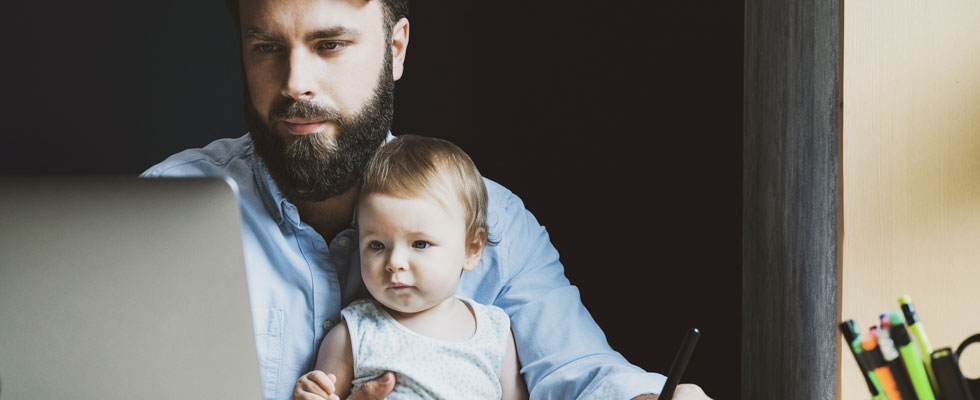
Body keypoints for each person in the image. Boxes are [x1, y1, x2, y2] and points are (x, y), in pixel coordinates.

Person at [142, 0, 710, 398]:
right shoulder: (159, 214)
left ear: (395, 49)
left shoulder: (494, 222)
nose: (295, 82)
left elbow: (580, 373)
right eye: (266, 46)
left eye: (330, 44)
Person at [292, 135, 527, 400]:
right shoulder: (353, 335)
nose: (394, 263)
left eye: (420, 244)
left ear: (472, 249)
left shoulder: (495, 336)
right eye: (377, 245)